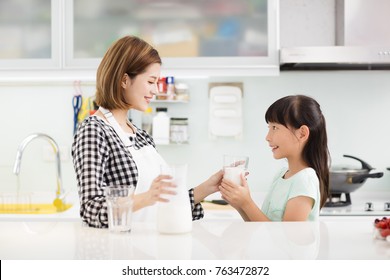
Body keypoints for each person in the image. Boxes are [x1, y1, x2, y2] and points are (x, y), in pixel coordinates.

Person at [72, 36, 222, 228]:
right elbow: (91, 209)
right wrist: (146, 198)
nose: (155, 90)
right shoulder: (93, 131)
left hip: (152, 248)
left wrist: (208, 187)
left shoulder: (142, 136)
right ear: (124, 80)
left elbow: (163, 203)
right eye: (151, 81)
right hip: (120, 252)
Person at [219, 95, 330, 221]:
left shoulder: (304, 180)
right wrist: (240, 204)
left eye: (275, 128)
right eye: (269, 128)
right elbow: (261, 226)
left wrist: (247, 203)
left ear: (302, 133)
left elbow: (284, 237)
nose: (267, 137)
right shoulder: (281, 175)